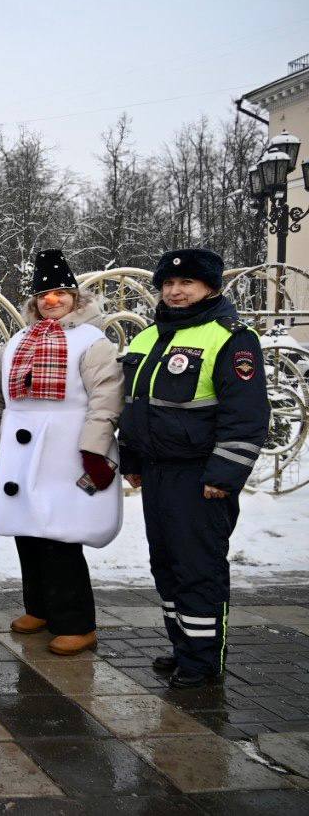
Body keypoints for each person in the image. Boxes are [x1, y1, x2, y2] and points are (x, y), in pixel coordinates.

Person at [118, 247, 269, 688]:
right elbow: (133, 405)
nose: (176, 291)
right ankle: (182, 646)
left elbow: (246, 416)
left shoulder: (231, 337)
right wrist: (131, 458)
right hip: (157, 471)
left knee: (198, 567)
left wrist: (224, 475)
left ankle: (203, 662)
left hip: (200, 476)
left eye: (186, 283)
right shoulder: (148, 337)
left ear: (211, 288)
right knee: (165, 564)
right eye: (168, 284)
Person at [0, 250, 123, 656]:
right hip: (22, 450)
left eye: (61, 293)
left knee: (60, 536)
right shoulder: (16, 341)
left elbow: (106, 399)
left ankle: (77, 621)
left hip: (67, 450)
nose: (52, 301)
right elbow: (0, 397)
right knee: (29, 532)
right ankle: (40, 608)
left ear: (75, 298)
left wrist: (96, 450)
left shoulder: (92, 341)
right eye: (44, 294)